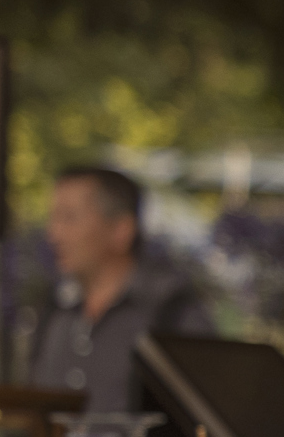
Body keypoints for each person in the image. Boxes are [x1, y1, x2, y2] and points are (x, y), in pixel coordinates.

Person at [20, 163, 214, 413]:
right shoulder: (53, 309)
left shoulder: (170, 311)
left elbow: (202, 423)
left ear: (121, 230)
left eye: (69, 218)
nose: (53, 234)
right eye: (53, 218)